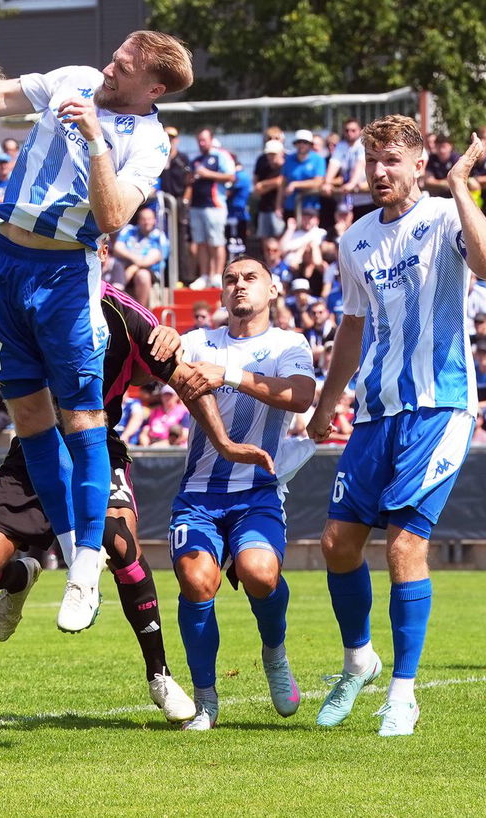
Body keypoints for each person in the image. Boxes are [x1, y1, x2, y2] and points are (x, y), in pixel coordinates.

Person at [0, 0, 184, 633]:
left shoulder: (150, 140)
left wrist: (94, 141)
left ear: (152, 86)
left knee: (83, 421)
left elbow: (112, 219)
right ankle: (59, 552)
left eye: (124, 66)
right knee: (32, 424)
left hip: (64, 274)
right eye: (113, 57)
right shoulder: (73, 79)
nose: (109, 69)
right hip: (1, 266)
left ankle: (87, 565)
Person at [0, 282, 257, 723]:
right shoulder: (17, 296)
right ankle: (20, 576)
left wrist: (225, 442)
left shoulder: (124, 314)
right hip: (33, 448)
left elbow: (181, 378)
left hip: (96, 446)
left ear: (98, 249)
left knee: (120, 543)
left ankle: (159, 674)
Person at [304, 115, 486, 737]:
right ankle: (359, 658)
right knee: (337, 544)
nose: (380, 173)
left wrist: (460, 185)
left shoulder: (446, 216)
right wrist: (327, 401)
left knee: (402, 545)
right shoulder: (357, 237)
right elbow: (354, 325)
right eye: (373, 162)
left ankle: (403, 692)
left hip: (440, 405)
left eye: (392, 160)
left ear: (419, 165)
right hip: (374, 411)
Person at [168, 258, 317, 731]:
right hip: (198, 493)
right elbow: (161, 366)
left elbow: (300, 396)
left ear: (272, 289)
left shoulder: (288, 344)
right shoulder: (198, 342)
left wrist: (227, 374)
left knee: (259, 573)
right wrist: (162, 339)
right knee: (196, 581)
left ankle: (274, 651)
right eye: (230, 279)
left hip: (257, 493)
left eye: (250, 277)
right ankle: (206, 697)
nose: (239, 285)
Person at [186, 127, 235, 288]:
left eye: (204, 139)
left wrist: (208, 174)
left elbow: (230, 176)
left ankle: (217, 274)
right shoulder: (196, 160)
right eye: (199, 140)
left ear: (211, 139)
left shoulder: (220, 156)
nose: (201, 143)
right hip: (197, 206)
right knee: (200, 242)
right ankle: (205, 275)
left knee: (216, 242)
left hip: (215, 205)